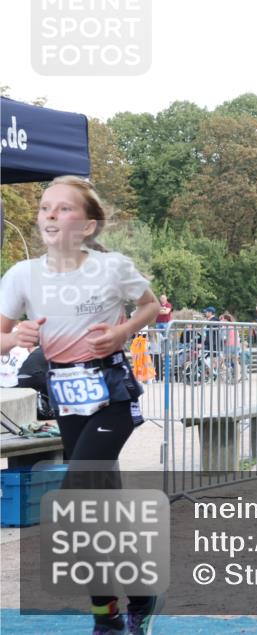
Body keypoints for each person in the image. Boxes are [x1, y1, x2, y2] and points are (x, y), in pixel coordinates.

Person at [0, 176, 161, 634]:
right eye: (45, 207)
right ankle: (128, 604)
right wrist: (15, 338)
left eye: (64, 209)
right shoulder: (22, 275)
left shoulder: (112, 268)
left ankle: (117, 610)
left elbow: (150, 306)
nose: (50, 214)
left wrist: (121, 332)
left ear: (88, 225)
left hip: (111, 396)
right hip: (67, 403)